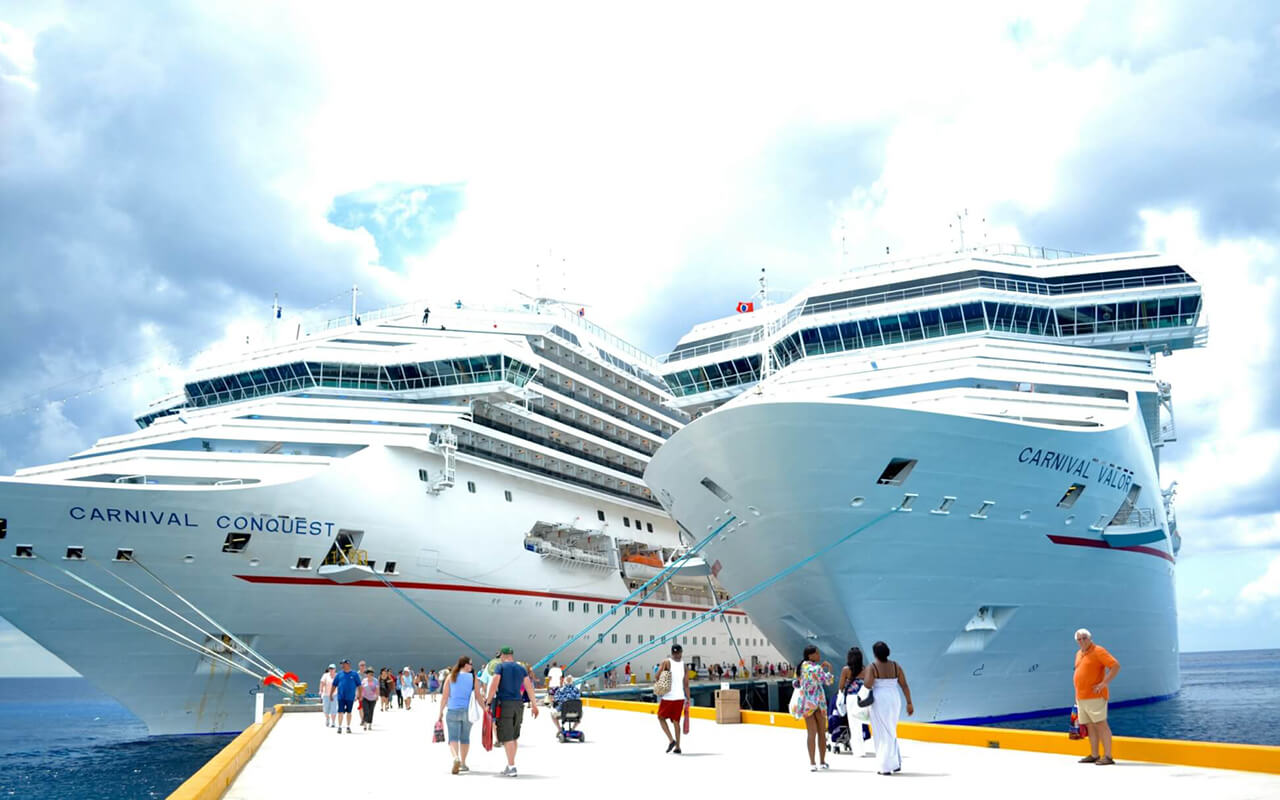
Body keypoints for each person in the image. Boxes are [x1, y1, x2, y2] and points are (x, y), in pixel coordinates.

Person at [484, 646, 539, 777]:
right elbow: (528, 686)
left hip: (505, 704)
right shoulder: (521, 668)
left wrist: (488, 702)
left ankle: (512, 767)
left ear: (503, 655)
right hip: (518, 705)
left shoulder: (500, 667)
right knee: (514, 736)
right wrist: (534, 705)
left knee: (507, 737)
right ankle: (510, 764)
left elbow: (494, 684)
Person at [861, 640, 913, 775]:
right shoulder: (896, 666)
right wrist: (909, 703)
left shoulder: (872, 667)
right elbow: (904, 685)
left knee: (881, 732)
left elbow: (867, 684)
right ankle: (895, 763)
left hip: (880, 699)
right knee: (891, 729)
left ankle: (884, 766)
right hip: (894, 698)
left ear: (875, 654)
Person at [1074, 628, 1121, 765]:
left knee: (1101, 724)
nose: (1082, 641)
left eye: (1084, 638)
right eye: (1079, 639)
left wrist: (1104, 683)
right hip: (1081, 697)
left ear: (1090, 638)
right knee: (1089, 726)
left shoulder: (1098, 651)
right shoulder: (1079, 653)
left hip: (1095, 696)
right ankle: (1094, 754)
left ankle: (1108, 756)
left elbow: (1115, 666)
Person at [439, 655, 484, 774]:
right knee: (465, 738)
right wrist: (485, 709)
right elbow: (478, 696)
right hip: (467, 712)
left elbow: (444, 697)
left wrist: (440, 712)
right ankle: (463, 763)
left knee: (453, 738)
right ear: (465, 665)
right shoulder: (472, 677)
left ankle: (455, 758)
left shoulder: (450, 677)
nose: (472, 666)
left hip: (452, 711)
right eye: (471, 664)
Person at [793, 645, 833, 771]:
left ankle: (812, 763)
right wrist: (829, 669)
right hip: (819, 702)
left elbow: (796, 683)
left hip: (806, 703)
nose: (819, 655)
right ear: (810, 655)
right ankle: (822, 761)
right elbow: (827, 681)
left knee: (811, 733)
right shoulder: (817, 668)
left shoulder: (801, 667)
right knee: (822, 733)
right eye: (817, 653)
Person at [656, 643, 690, 754]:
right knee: (676, 722)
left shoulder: (666, 662)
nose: (677, 655)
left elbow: (657, 677)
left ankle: (671, 740)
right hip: (680, 697)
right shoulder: (685, 666)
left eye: (677, 653)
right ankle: (678, 747)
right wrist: (688, 699)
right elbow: (686, 685)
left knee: (661, 717)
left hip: (668, 697)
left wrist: (664, 671)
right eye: (676, 653)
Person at [839, 647, 872, 755]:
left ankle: (859, 751)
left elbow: (841, 687)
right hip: (862, 698)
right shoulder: (866, 669)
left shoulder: (846, 670)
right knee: (863, 722)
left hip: (851, 698)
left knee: (854, 725)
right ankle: (862, 748)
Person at [332, 659, 360, 734]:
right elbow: (334, 685)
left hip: (350, 697)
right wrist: (331, 694)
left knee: (349, 712)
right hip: (341, 696)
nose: (342, 666)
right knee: (340, 711)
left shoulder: (354, 674)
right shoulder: (339, 674)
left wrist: (359, 695)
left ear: (348, 664)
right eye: (341, 664)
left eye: (343, 664)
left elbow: (359, 685)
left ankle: (348, 726)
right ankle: (340, 727)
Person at [319, 664, 336, 728]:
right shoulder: (325, 675)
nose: (331, 670)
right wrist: (320, 690)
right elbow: (322, 683)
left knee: (333, 708)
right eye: (330, 668)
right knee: (325, 709)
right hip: (326, 694)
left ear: (335, 669)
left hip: (334, 694)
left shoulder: (337, 676)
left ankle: (333, 722)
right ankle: (327, 718)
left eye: (333, 668)